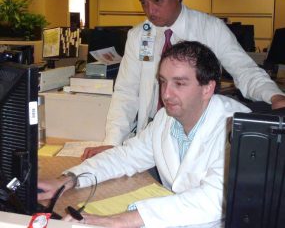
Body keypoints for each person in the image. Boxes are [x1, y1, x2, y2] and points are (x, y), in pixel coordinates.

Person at [81, 0, 285, 159]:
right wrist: (113, 142)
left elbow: (245, 70)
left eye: (157, 0)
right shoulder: (138, 36)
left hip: (198, 137)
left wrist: (274, 96)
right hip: (151, 135)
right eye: (144, 3)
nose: (150, 11)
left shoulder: (210, 29)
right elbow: (126, 92)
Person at [38, 41, 251, 227]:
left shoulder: (241, 126)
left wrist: (121, 220)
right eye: (163, 81)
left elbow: (216, 199)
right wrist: (70, 179)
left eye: (179, 83)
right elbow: (126, 156)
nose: (166, 93)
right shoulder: (165, 119)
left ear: (207, 88)